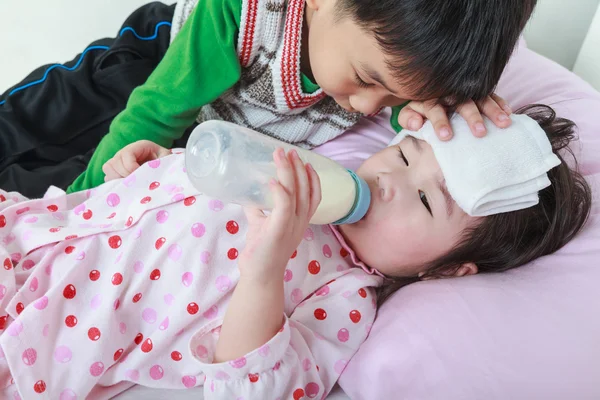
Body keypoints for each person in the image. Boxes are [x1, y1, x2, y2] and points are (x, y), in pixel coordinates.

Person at [0, 104, 590, 398]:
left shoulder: (347, 292)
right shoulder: (319, 171)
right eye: (405, 155)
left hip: (40, 335)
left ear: (446, 271)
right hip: (30, 229)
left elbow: (255, 386)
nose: (388, 181)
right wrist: (150, 169)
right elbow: (195, 192)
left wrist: (265, 266)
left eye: (426, 202)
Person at [61, 0, 536, 192]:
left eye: (394, 97)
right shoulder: (240, 12)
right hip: (155, 65)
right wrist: (81, 213)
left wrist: (438, 110)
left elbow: (412, 120)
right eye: (367, 79)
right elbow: (156, 111)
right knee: (50, 127)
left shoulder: (391, 70)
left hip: (210, 133)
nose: (371, 107)